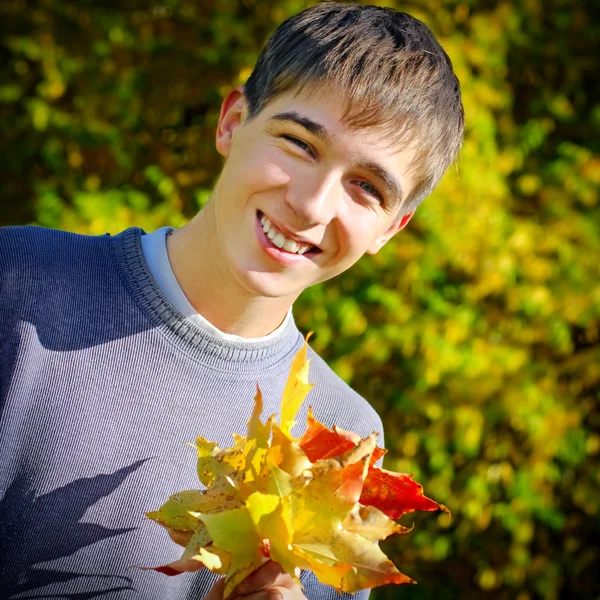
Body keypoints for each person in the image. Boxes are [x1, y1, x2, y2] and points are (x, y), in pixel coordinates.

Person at [0, 2, 463, 599]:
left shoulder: (341, 442)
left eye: (366, 187)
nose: (314, 204)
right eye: (300, 144)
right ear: (231, 121)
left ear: (390, 230)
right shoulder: (21, 281)